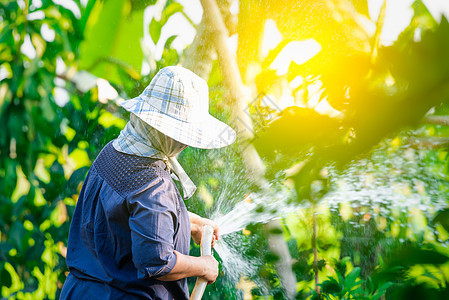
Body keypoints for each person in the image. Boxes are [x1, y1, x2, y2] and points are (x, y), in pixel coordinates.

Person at [60, 66, 236, 299]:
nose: (185, 144)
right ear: (164, 132)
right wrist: (203, 266)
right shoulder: (153, 183)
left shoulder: (113, 153)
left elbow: (129, 215)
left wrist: (191, 223)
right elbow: (158, 261)